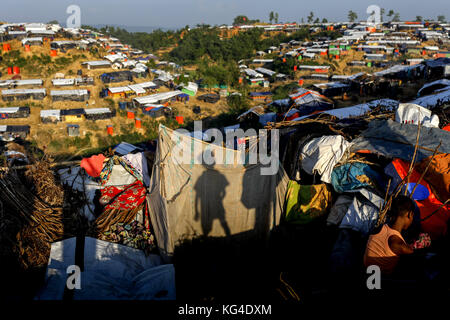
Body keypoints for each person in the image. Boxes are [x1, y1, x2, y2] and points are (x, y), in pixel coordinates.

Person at [363, 195, 415, 275]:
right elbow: (412, 252)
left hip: (366, 271)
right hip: (380, 280)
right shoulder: (398, 244)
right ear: (410, 214)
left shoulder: (379, 227)